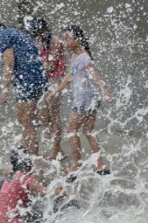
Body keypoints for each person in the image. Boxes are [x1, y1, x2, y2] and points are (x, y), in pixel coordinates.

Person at [48, 25, 113, 174]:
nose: (64, 43)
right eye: (63, 39)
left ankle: (77, 164)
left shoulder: (83, 57)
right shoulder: (75, 56)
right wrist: (56, 91)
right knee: (89, 131)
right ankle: (100, 165)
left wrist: (104, 89)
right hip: (90, 97)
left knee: (71, 130)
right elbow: (69, 77)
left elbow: (94, 74)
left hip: (84, 99)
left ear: (77, 40)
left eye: (67, 39)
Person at [0, 21, 47, 156]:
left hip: (28, 80)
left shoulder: (3, 36)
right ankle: (25, 157)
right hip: (35, 79)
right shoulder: (14, 32)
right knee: (25, 121)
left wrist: (4, 88)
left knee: (25, 121)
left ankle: (31, 159)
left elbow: (9, 62)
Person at [0, 147, 60, 223]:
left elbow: (7, 170)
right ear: (27, 163)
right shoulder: (25, 178)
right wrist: (65, 187)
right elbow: (49, 193)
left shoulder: (11, 174)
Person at [30, 18, 67, 161]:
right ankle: (58, 149)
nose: (38, 37)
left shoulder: (56, 42)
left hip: (54, 82)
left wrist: (33, 70)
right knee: (45, 117)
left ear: (45, 30)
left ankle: (56, 150)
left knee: (54, 116)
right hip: (43, 81)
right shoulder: (41, 41)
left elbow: (50, 66)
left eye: (39, 33)